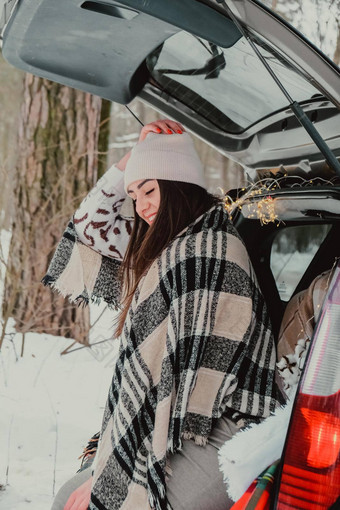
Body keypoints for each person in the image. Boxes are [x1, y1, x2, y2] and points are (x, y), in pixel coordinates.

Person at [48, 119, 285, 510]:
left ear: (176, 184)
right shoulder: (168, 244)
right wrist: (131, 162)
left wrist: (111, 478)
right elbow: (90, 229)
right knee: (67, 499)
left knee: (107, 504)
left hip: (222, 425)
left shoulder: (207, 252)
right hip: (170, 420)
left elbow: (174, 388)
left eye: (150, 189)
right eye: (134, 195)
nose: (140, 205)